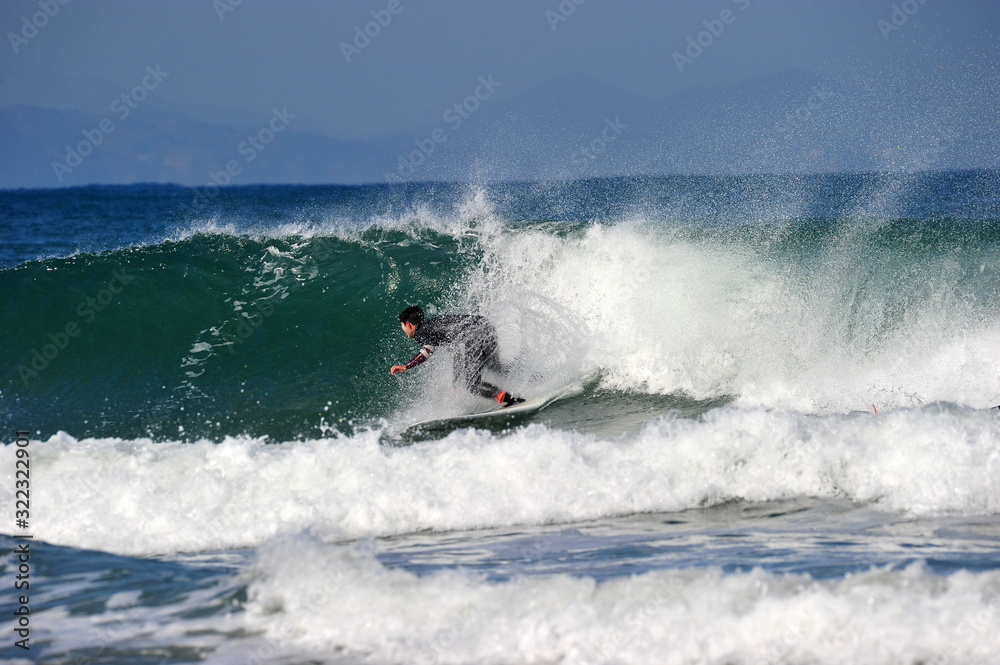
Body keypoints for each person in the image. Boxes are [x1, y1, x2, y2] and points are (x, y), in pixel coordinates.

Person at [391, 305, 525, 406]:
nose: (404, 330)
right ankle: (532, 377)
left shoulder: (421, 331)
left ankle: (511, 399)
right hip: (485, 326)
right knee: (495, 366)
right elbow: (456, 352)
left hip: (473, 336)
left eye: (402, 326)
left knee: (472, 385)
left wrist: (406, 366)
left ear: (408, 324)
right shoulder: (434, 326)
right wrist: (455, 382)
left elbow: (426, 351)